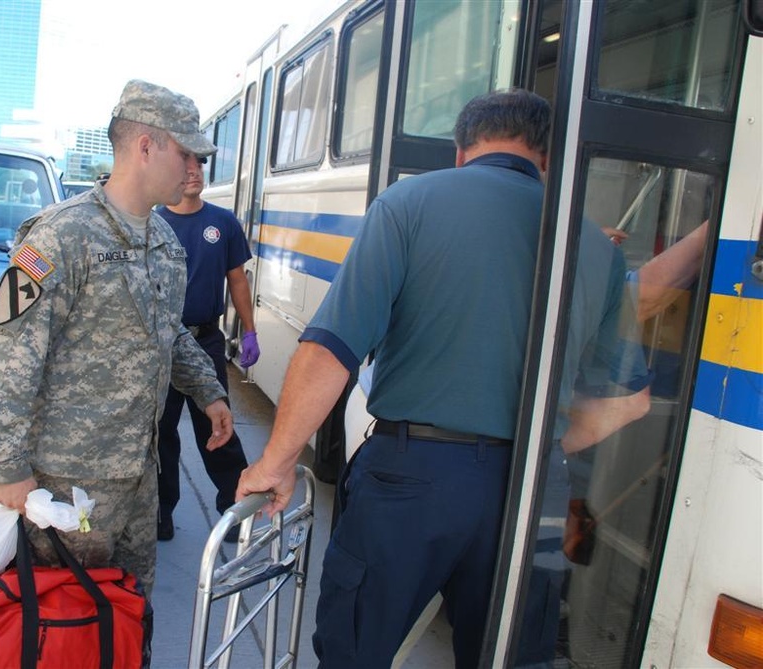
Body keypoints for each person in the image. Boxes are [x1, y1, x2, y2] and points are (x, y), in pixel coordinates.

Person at [236, 89, 651, 668]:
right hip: (534, 491)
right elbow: (630, 402)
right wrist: (545, 446)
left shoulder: (409, 204)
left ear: (461, 150)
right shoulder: (593, 245)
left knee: (357, 649)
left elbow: (331, 350)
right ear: (546, 158)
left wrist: (275, 463)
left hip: (414, 478)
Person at [0, 79, 234, 599]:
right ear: (146, 146)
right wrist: (6, 466)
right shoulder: (60, 236)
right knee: (66, 623)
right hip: (70, 485)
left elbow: (171, 332)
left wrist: (208, 390)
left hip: (140, 477)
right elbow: (9, 356)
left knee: (129, 616)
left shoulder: (163, 240)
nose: (194, 169)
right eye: (186, 153)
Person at [154, 159, 259, 543]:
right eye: (183, 164)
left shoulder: (223, 222)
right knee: (160, 429)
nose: (194, 171)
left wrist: (249, 331)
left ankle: (234, 509)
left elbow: (237, 280)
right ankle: (160, 513)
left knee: (216, 424)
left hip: (205, 339)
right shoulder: (154, 222)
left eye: (199, 164)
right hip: (163, 341)